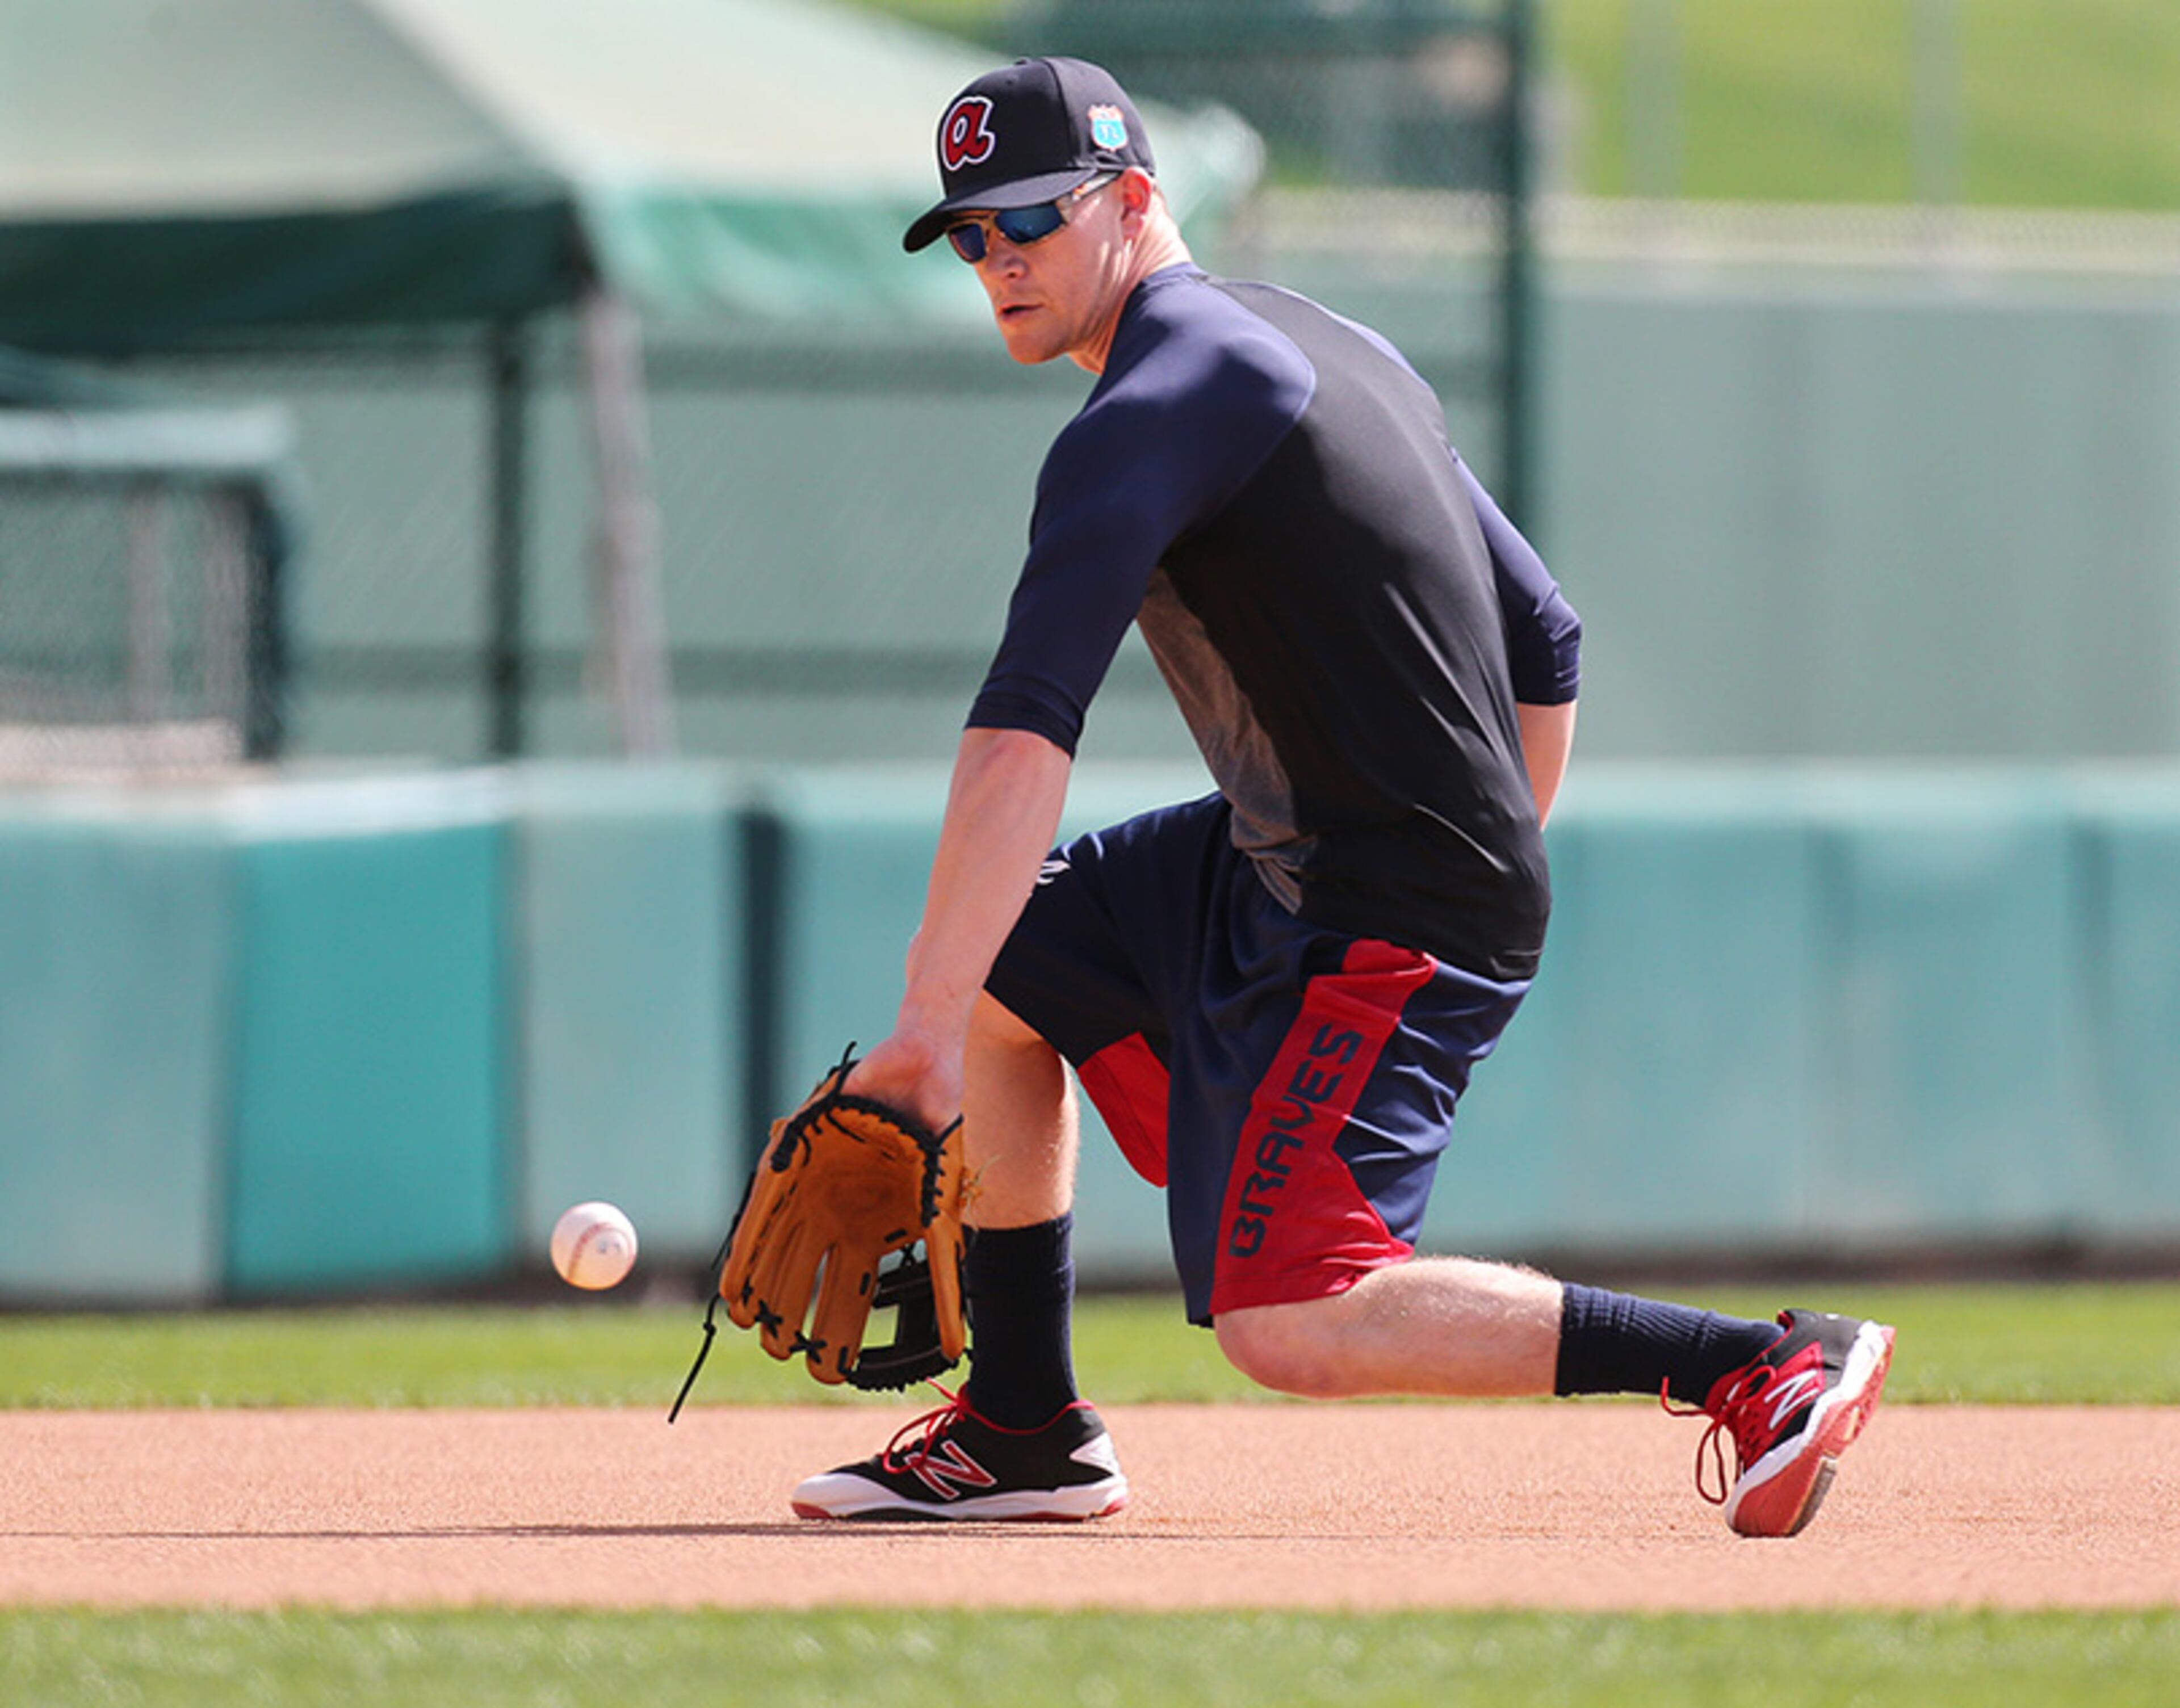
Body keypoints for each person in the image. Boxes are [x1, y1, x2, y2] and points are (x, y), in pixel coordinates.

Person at [790, 57, 1893, 1537]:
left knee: (1290, 1318)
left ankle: (1763, 1363)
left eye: (1029, 223)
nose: (998, 262)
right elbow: (1546, 635)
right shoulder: (1325, 343)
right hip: (1301, 856)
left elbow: (1019, 735)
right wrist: (1496, 835)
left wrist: (918, 1038)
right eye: (970, 237)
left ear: (1131, 201)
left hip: (1380, 893)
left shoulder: (1145, 408)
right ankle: (1023, 1427)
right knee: (1012, 970)